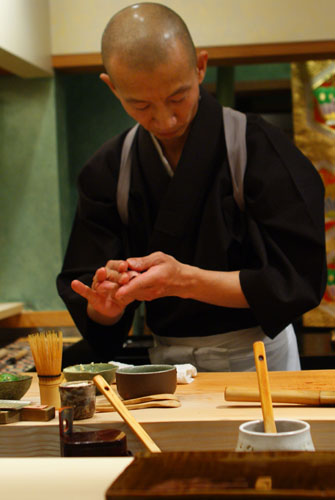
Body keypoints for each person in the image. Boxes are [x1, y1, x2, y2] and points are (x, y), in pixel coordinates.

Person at [57, 2, 327, 372]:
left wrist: (184, 280)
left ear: (200, 67)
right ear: (112, 87)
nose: (164, 119)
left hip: (260, 357)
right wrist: (105, 306)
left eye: (177, 97)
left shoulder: (257, 147)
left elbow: (295, 277)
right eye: (140, 104)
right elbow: (97, 307)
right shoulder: (108, 170)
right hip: (166, 364)